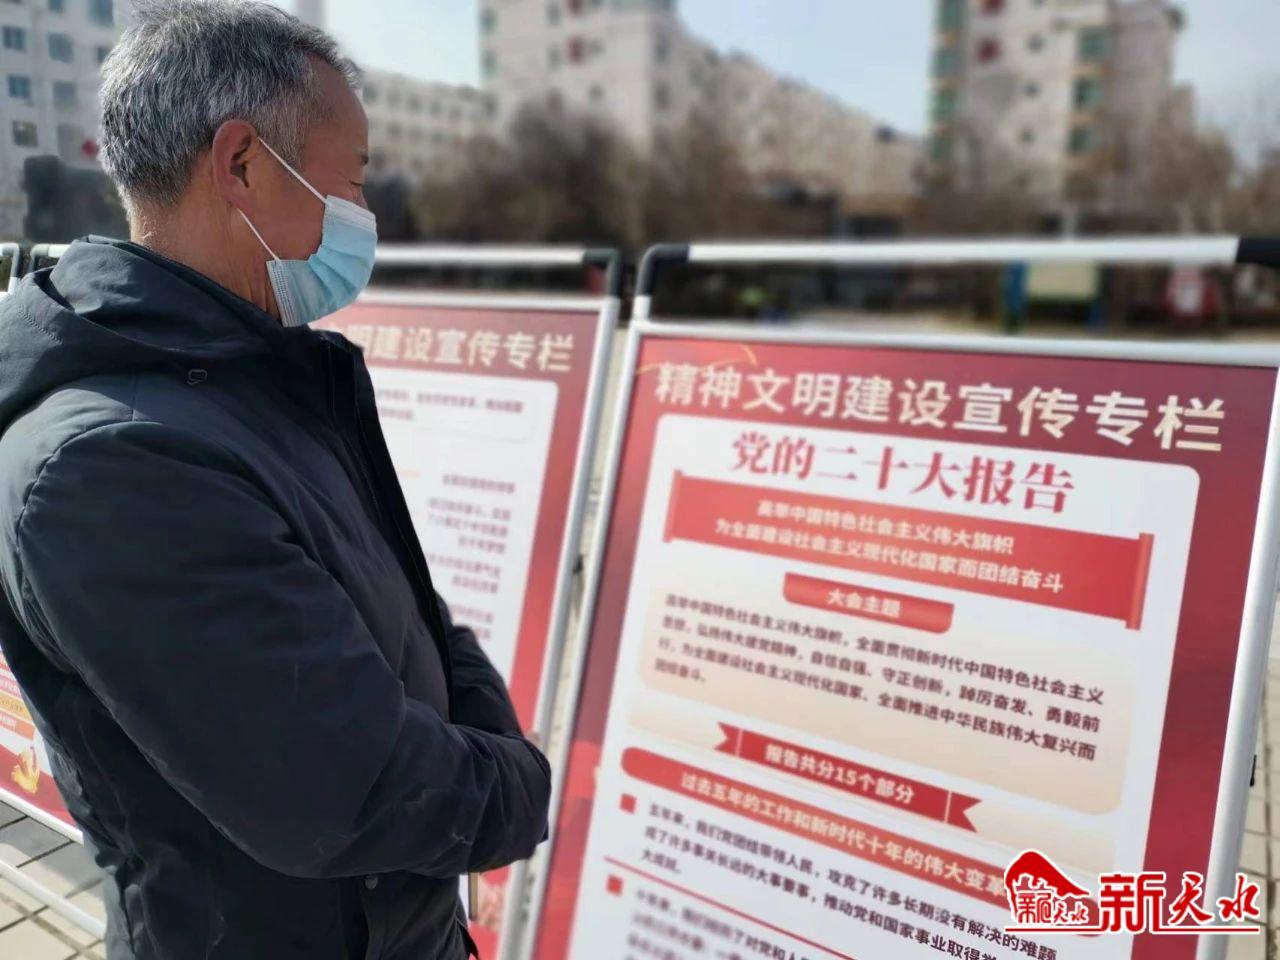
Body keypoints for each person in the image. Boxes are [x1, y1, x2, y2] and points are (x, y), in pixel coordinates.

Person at [0, 3, 550, 958]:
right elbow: (349, 789)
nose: (366, 217)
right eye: (354, 180)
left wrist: (481, 733)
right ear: (243, 164)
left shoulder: (250, 377)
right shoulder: (111, 465)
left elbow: (409, 607)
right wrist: (521, 784)